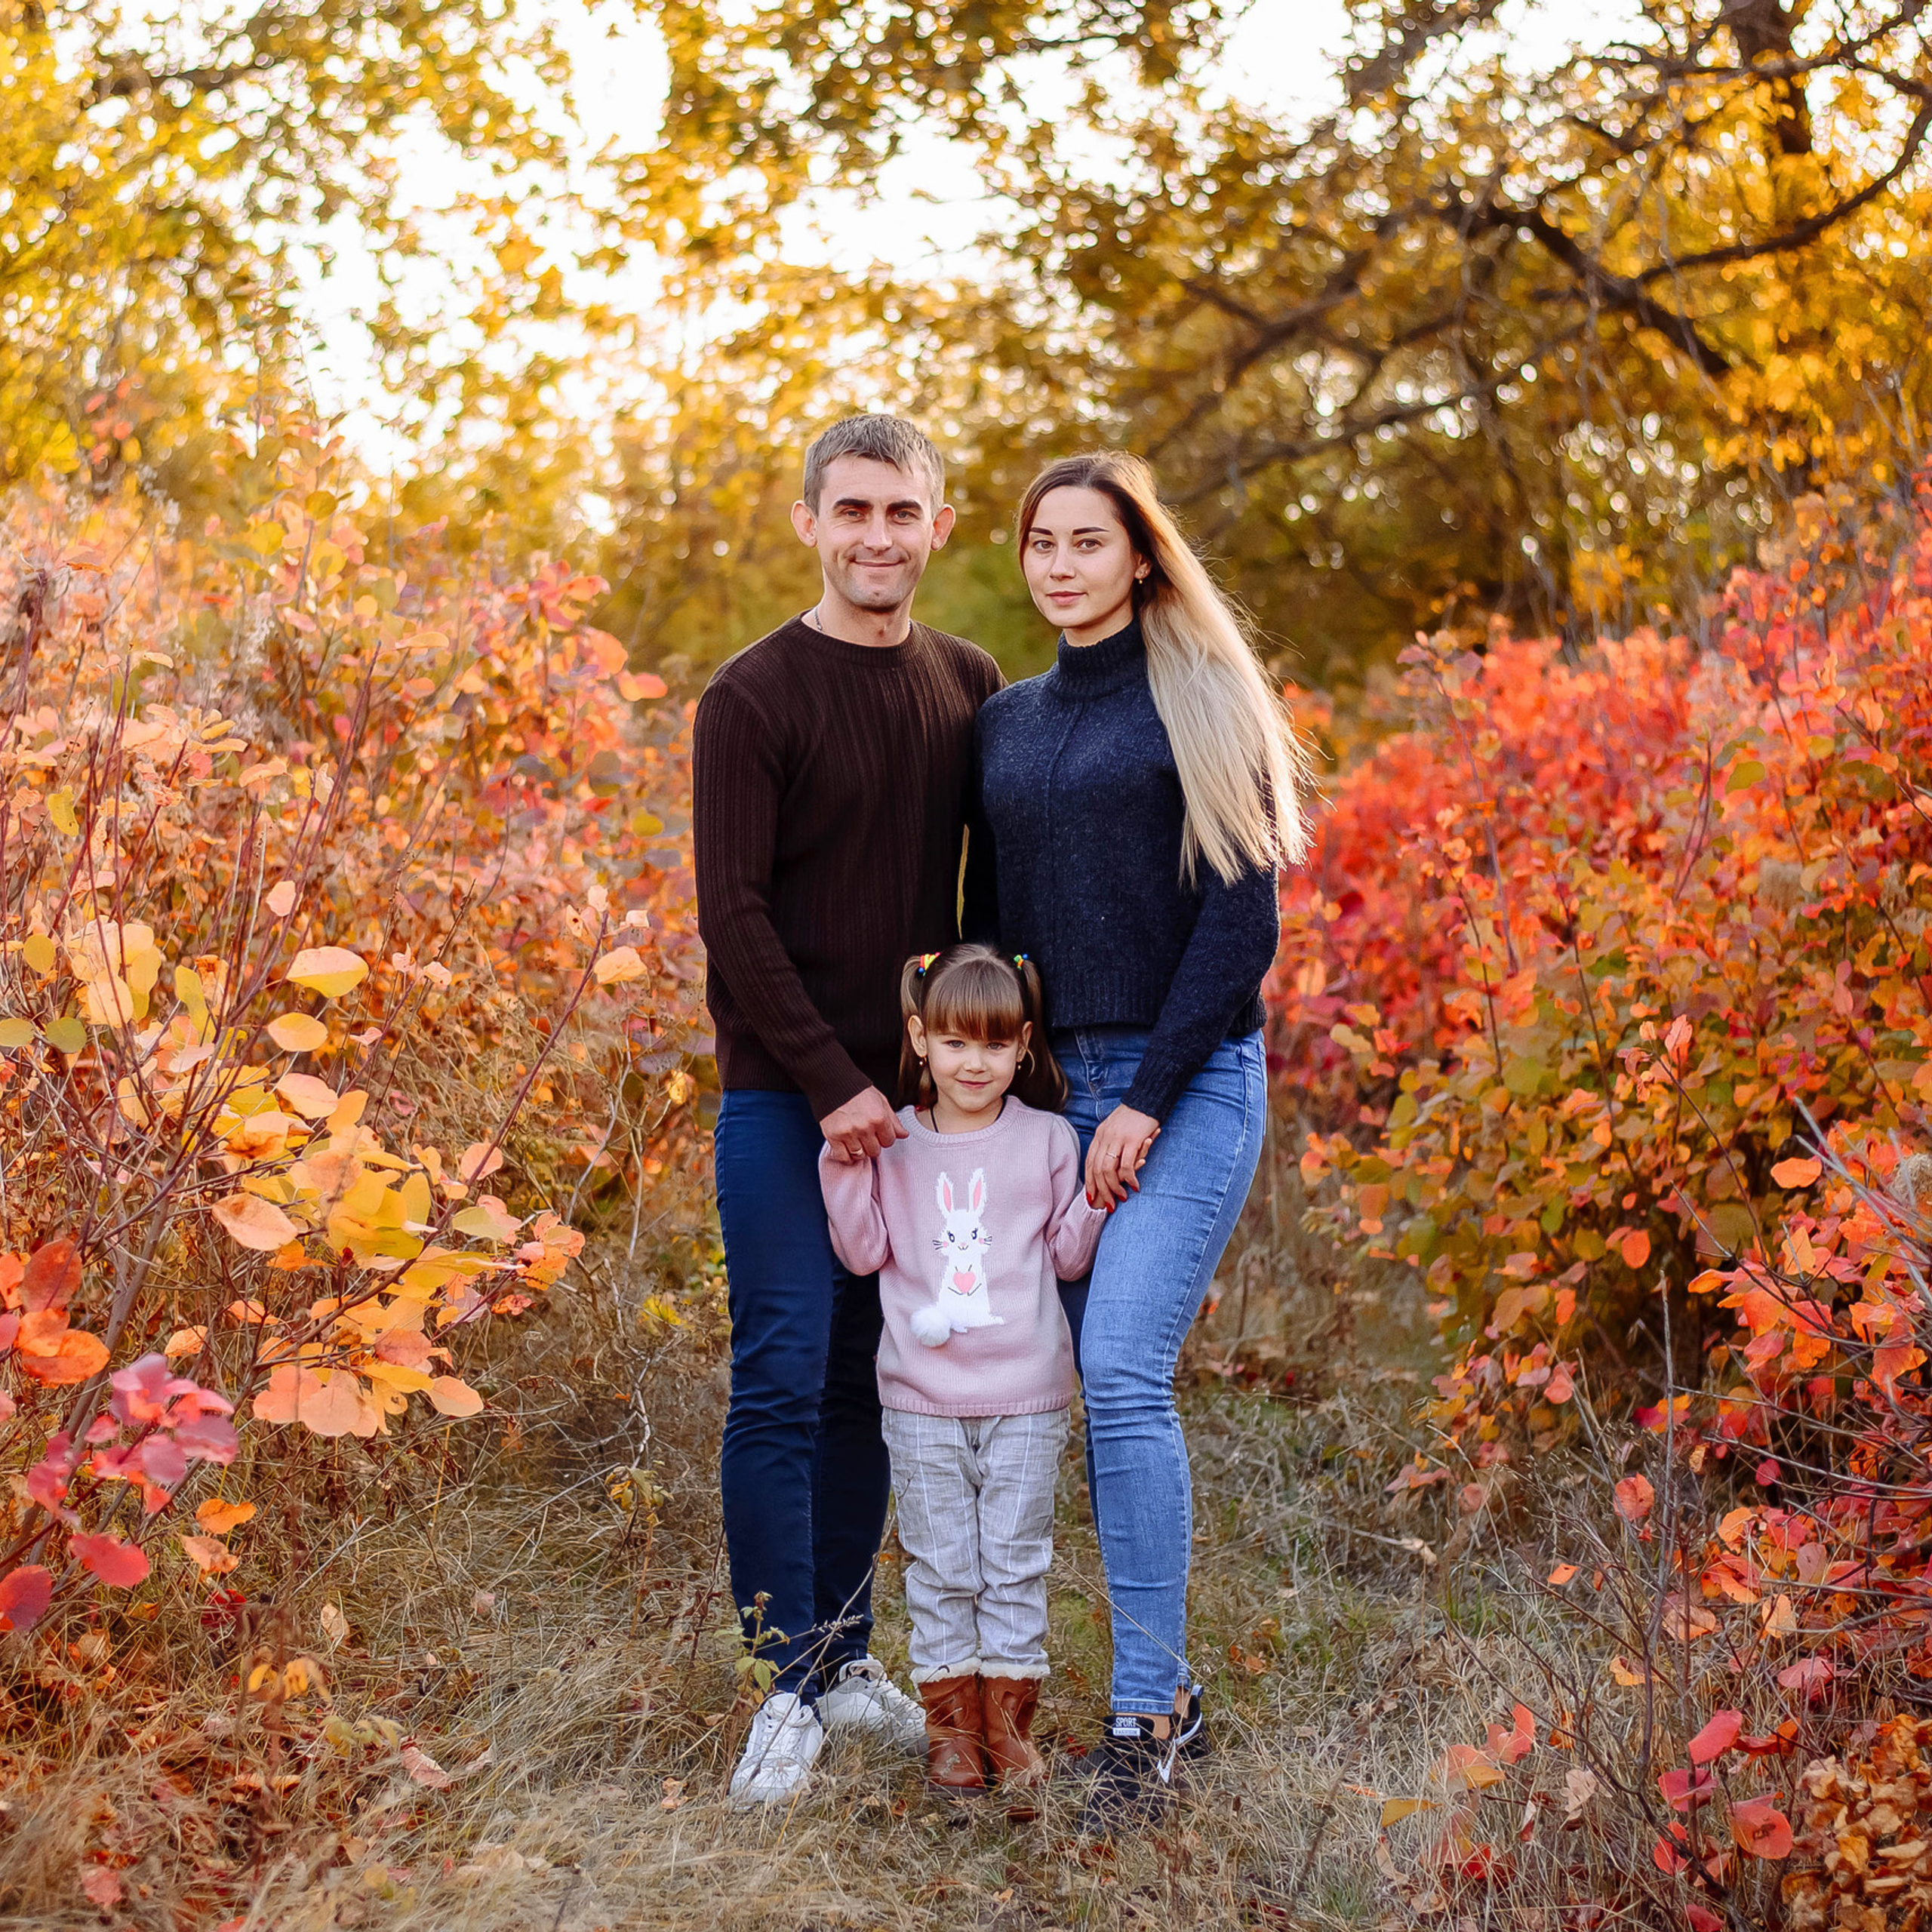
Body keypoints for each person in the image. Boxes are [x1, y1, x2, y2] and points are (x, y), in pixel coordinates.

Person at [964, 450, 1307, 1834]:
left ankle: (1148, 1719)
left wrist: (1149, 1103)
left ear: (1141, 559)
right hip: (1051, 1098)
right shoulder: (1005, 723)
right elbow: (994, 923)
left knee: (1119, 1373)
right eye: (1040, 541)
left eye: (1087, 541)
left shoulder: (1205, 694)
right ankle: (1132, 1700)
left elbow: (1245, 923)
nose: (1058, 564)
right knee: (1065, 1391)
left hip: (1191, 1080)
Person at [692, 416, 1004, 1807]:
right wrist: (837, 1086)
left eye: (904, 511)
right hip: (784, 1100)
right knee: (780, 1369)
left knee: (869, 1382)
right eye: (853, 510)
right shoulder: (751, 698)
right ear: (811, 522)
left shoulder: (969, 684)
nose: (878, 535)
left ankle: (849, 1655)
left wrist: (958, 1085)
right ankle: (784, 1692)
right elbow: (734, 917)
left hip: (917, 1115)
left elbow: (980, 910)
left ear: (940, 524)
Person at [818, 946, 1105, 1798]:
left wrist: (1098, 1187)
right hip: (921, 1401)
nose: (972, 1064)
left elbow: (1064, 1252)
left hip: (1025, 1394)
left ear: (1021, 1045)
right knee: (941, 1562)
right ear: (920, 1038)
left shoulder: (1049, 1138)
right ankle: (951, 1738)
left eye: (991, 1045)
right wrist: (843, 1165)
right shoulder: (894, 1146)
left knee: (1014, 1558)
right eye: (952, 1044)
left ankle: (1009, 1733)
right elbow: (864, 1249)